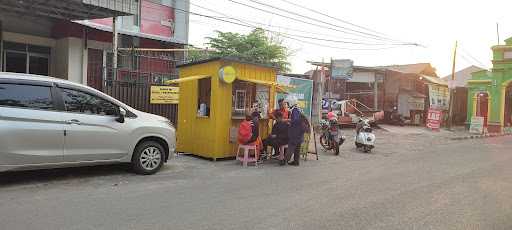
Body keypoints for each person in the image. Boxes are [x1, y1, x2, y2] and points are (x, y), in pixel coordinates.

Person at [282, 96, 306, 166]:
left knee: (291, 146)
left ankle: (285, 160)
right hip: (299, 132)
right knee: (297, 148)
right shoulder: (298, 109)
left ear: (291, 102)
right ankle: (296, 162)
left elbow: (295, 120)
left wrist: (287, 120)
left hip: (295, 132)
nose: (287, 105)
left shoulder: (295, 110)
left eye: (288, 103)